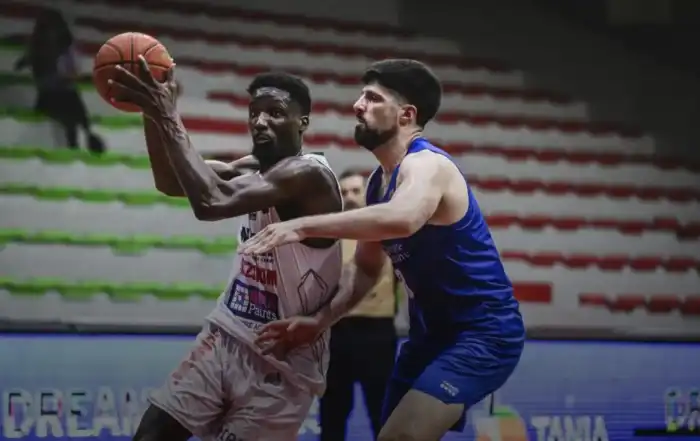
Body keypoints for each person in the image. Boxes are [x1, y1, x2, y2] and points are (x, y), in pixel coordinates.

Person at [241, 59, 525, 441]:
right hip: (427, 338)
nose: (358, 105)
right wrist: (322, 321)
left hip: (484, 333)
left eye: (372, 99)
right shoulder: (378, 184)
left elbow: (404, 218)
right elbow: (366, 268)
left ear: (406, 115)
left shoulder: (428, 165)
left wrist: (301, 225)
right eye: (361, 96)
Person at [109, 60, 344, 441]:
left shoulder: (310, 176)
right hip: (226, 336)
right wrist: (152, 113)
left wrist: (168, 115)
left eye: (275, 113)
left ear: (302, 123)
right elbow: (169, 181)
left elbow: (211, 202)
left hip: (281, 363)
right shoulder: (251, 168)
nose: (260, 122)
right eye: (254, 113)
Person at [320, 168, 404, 441]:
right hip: (335, 335)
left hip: (377, 334)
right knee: (332, 415)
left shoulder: (389, 233)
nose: (350, 197)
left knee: (383, 415)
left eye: (356, 191)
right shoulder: (326, 238)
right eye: (344, 192)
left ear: (368, 194)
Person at [15, 8, 105, 153]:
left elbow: (71, 72)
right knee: (70, 99)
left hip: (57, 92)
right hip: (51, 93)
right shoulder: (39, 47)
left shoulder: (63, 48)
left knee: (71, 97)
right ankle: (82, 137)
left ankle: (82, 136)